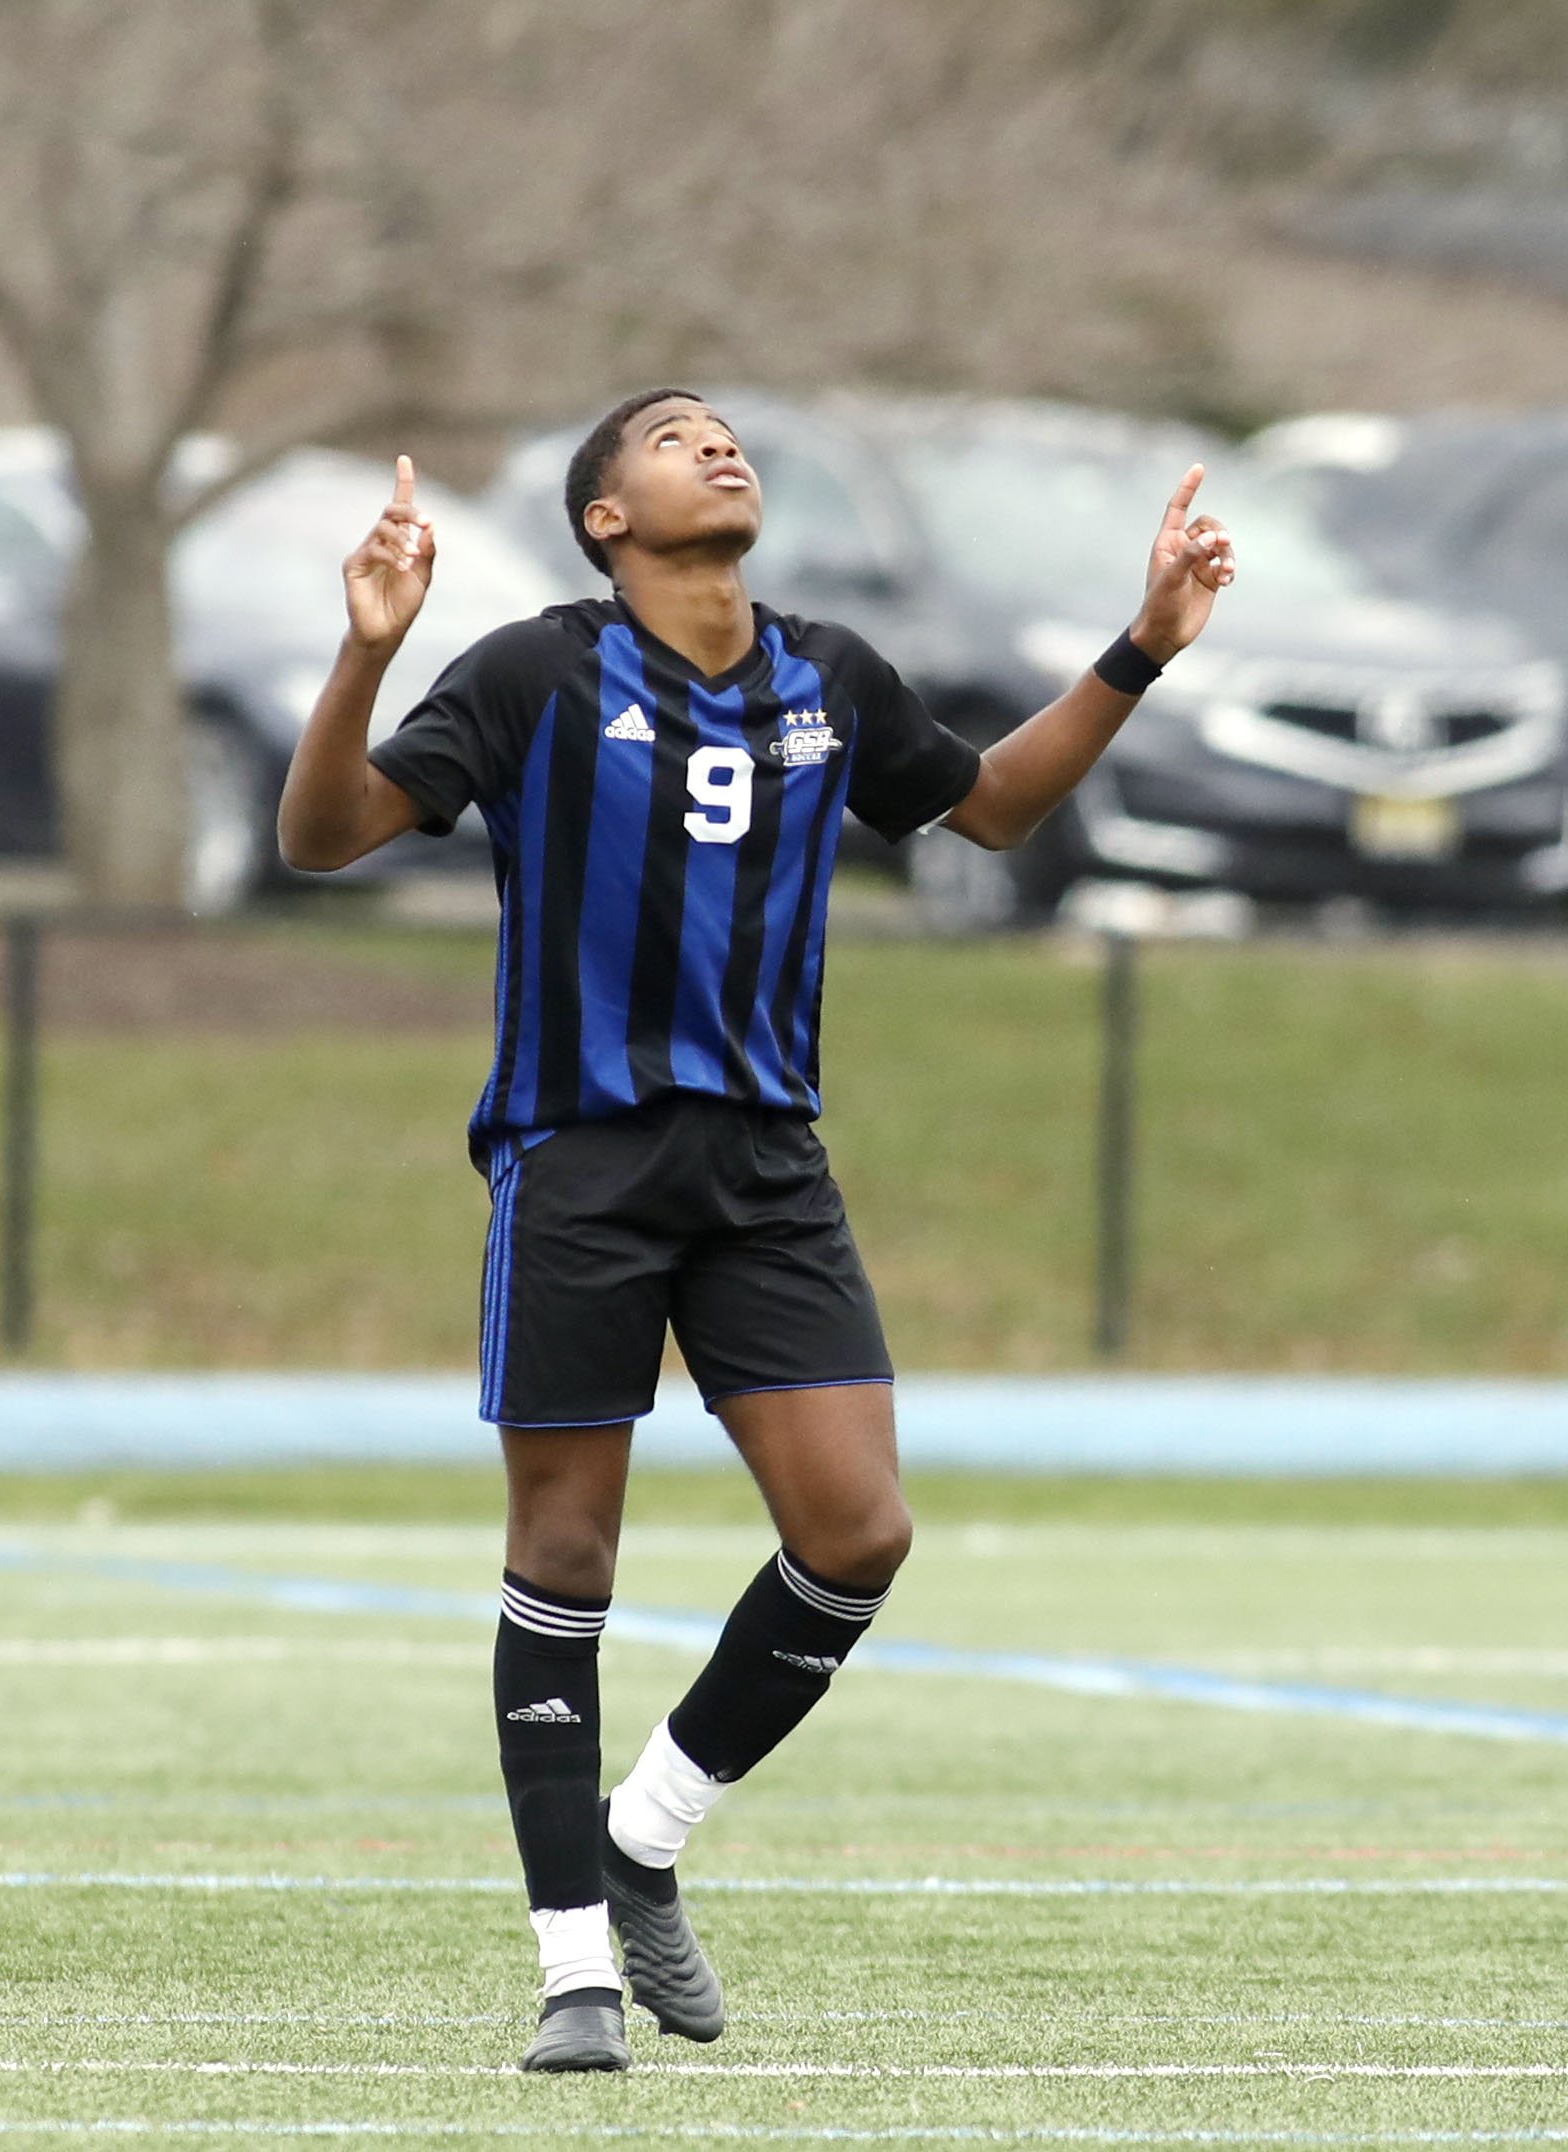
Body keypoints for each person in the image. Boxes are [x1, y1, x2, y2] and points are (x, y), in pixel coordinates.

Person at [271, 392, 1236, 2073]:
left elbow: (993, 808)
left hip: (764, 1173)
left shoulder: (829, 674)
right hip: (577, 1161)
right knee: (565, 1553)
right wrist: (366, 649)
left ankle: (644, 1833)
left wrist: (1141, 646)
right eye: (668, 439)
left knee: (859, 1532)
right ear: (602, 520)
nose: (714, 449)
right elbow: (321, 835)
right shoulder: (527, 673)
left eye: (724, 435)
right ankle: (572, 1966)